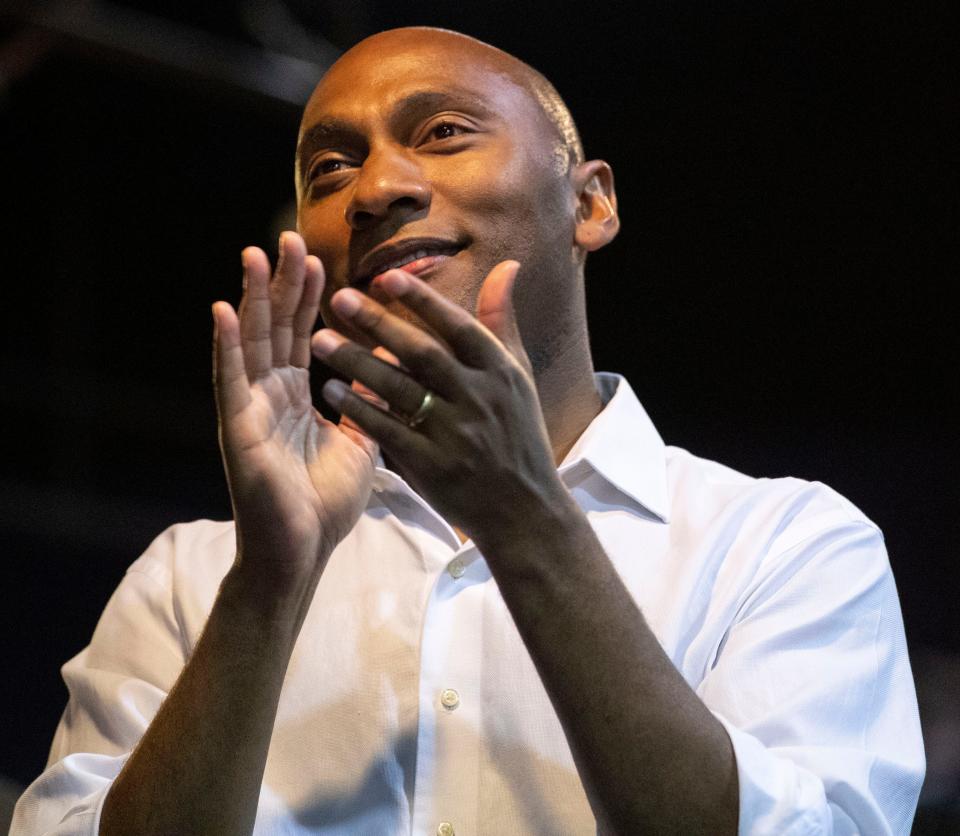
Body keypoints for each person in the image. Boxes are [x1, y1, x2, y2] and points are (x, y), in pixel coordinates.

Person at [12, 26, 924, 836]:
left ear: (591, 204)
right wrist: (269, 587)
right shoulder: (197, 575)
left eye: (442, 132)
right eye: (330, 170)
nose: (374, 188)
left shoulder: (788, 545)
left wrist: (524, 514)